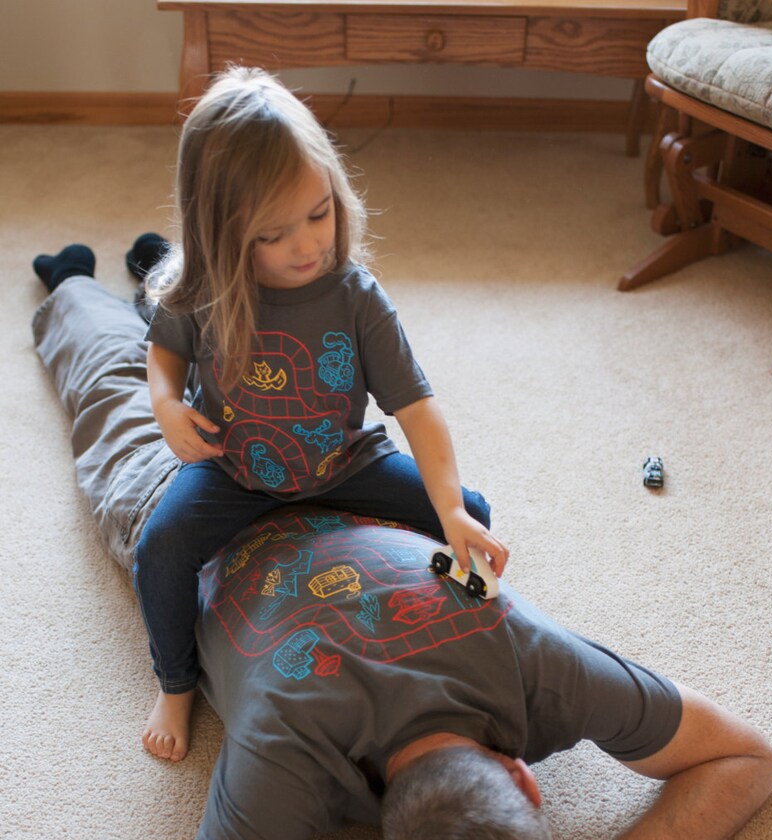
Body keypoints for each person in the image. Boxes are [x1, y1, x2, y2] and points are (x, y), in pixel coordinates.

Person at [32, 264, 772, 840]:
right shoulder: (293, 757)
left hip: (334, 478)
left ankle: (147, 277)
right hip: (212, 495)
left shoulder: (535, 668)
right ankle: (93, 280)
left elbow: (750, 757)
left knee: (178, 356)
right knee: (122, 391)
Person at [125, 67, 512, 762]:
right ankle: (176, 682)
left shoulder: (356, 296)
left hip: (343, 462)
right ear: (221, 235)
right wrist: (165, 405)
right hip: (235, 469)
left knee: (475, 511)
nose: (307, 246)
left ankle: (443, 646)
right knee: (159, 548)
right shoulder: (206, 288)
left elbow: (419, 408)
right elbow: (163, 352)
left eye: (319, 214)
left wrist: (450, 508)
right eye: (274, 235)